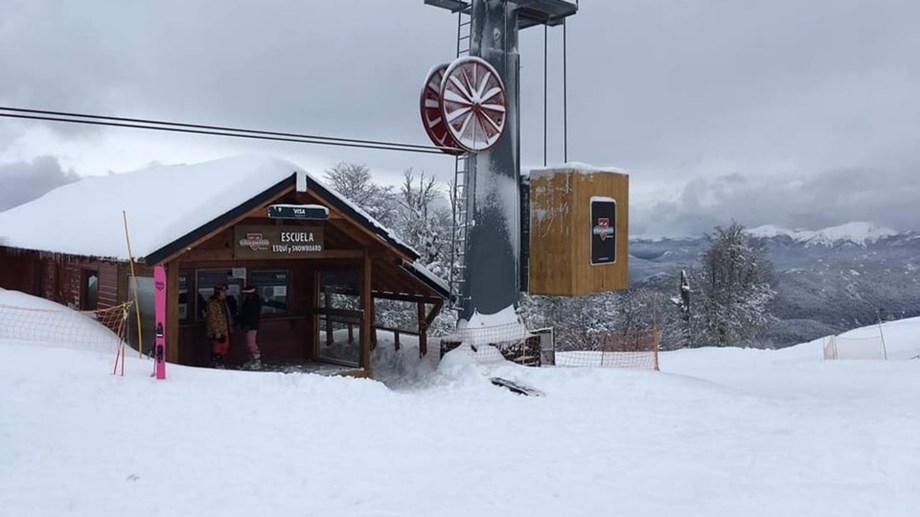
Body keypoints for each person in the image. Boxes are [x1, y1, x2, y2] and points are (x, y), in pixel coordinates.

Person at [205, 283, 233, 369]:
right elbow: (212, 318)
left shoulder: (224, 302)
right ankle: (216, 363)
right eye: (223, 291)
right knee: (217, 347)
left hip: (225, 329)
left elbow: (227, 316)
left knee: (225, 346)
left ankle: (219, 362)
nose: (225, 293)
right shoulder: (213, 303)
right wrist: (217, 331)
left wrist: (230, 326)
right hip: (218, 331)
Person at [238, 285, 263, 370]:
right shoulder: (250, 301)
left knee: (251, 343)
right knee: (248, 344)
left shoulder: (253, 302)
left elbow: (252, 315)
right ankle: (251, 360)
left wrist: (247, 325)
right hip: (248, 325)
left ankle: (257, 361)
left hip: (251, 326)